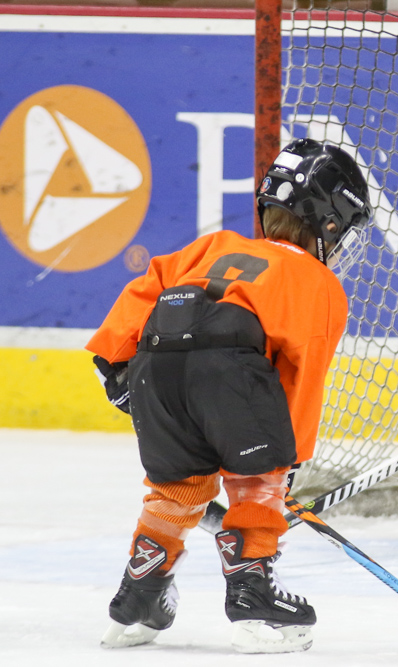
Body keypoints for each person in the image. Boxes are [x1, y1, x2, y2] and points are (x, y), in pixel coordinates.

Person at [89, 138, 373, 652]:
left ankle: (140, 594)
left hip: (152, 365)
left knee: (178, 486)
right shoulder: (318, 281)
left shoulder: (214, 244)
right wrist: (284, 463)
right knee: (256, 481)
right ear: (329, 223)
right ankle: (252, 595)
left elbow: (147, 285)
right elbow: (300, 377)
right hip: (230, 369)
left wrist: (114, 363)